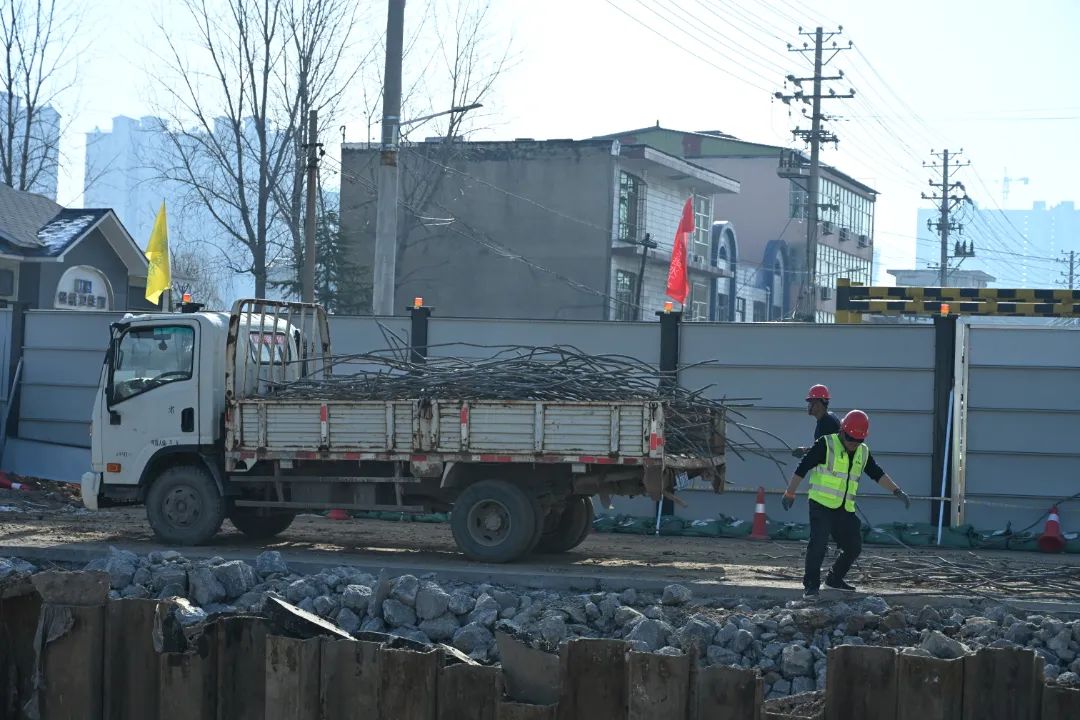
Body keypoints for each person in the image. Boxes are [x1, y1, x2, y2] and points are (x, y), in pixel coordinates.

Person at [781, 409, 911, 599]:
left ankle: (834, 579)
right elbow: (803, 468)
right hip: (821, 504)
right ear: (842, 431)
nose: (853, 443)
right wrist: (790, 492)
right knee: (818, 544)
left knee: (853, 546)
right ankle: (811, 587)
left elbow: (876, 473)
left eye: (859, 440)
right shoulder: (826, 444)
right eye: (850, 438)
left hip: (844, 509)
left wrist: (897, 491)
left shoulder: (862, 452)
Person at [792, 384, 841, 458]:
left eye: (811, 402)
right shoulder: (826, 419)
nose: (808, 406)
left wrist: (807, 453)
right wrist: (804, 450)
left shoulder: (827, 424)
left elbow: (826, 451)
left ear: (819, 404)